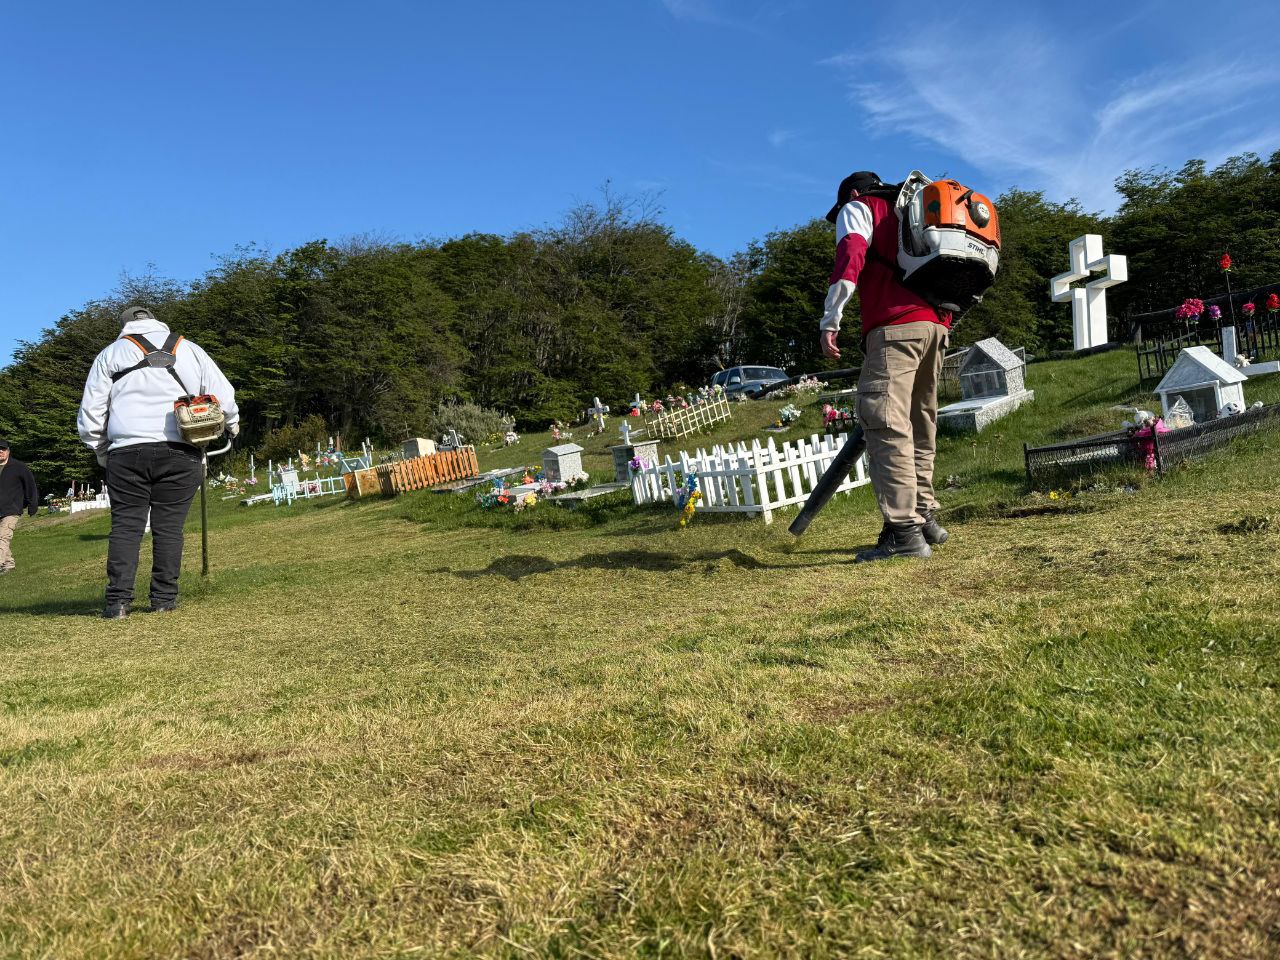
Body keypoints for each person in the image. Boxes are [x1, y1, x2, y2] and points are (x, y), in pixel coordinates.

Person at [820, 171, 950, 562]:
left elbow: (851, 256)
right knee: (919, 423)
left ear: (853, 194)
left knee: (887, 424)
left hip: (894, 328)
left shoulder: (861, 207)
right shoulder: (914, 210)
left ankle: (903, 532)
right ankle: (924, 517)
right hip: (935, 327)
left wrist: (830, 320)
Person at [78, 305, 239, 618]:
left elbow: (90, 414)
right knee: (169, 529)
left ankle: (118, 604)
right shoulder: (191, 350)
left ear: (124, 327)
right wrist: (231, 426)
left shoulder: (110, 355)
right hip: (181, 450)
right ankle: (164, 601)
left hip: (126, 452)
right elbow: (224, 395)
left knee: (126, 527)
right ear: (157, 322)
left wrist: (101, 450)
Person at [0, 441, 40, 574]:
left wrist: (32, 505)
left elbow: (30, 485)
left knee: (3, 537)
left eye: (3, 449)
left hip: (12, 509)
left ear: (8, 451)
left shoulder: (18, 467)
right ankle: (9, 563)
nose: (1, 451)